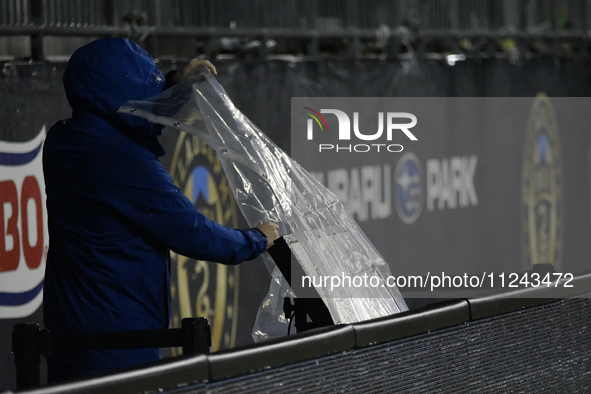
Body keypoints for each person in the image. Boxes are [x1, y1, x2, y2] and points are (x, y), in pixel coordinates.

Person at [42, 37, 279, 383]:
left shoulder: (63, 140)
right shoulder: (122, 159)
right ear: (126, 93)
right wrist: (257, 239)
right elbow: (192, 232)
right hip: (120, 353)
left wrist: (175, 84)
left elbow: (131, 115)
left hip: (72, 342)